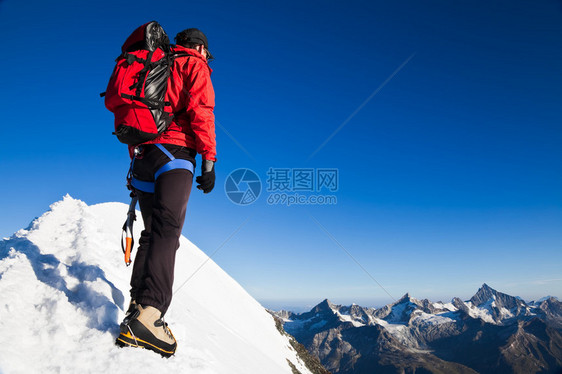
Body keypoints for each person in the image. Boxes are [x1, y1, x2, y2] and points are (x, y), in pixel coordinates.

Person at [116, 28, 216, 357]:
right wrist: (209, 161)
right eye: (206, 53)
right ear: (200, 48)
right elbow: (201, 111)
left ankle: (136, 307)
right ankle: (150, 315)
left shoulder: (154, 61)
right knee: (167, 231)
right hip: (175, 155)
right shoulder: (193, 64)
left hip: (143, 157)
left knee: (151, 232)